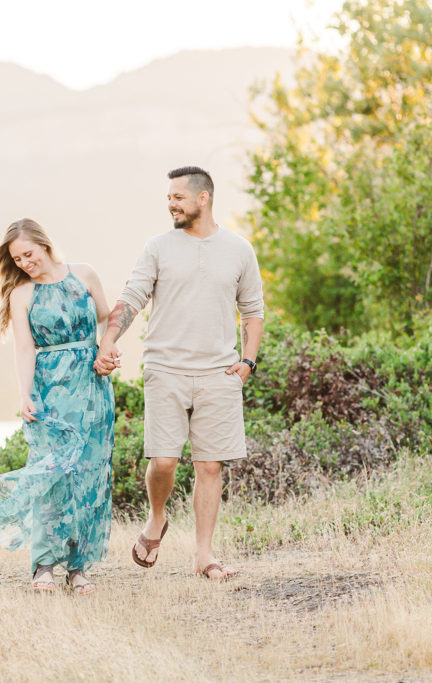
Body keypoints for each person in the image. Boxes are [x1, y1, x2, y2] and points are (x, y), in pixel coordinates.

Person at [94, 166, 264, 580]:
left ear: (203, 197)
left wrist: (247, 363)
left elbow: (253, 313)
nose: (170, 203)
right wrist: (109, 339)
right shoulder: (158, 247)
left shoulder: (239, 249)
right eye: (169, 197)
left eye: (177, 197)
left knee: (210, 467)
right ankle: (156, 520)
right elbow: (132, 296)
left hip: (218, 374)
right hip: (165, 370)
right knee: (165, 461)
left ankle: (204, 555)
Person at [0, 218, 116, 595]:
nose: (24, 263)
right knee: (51, 476)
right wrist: (25, 394)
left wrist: (107, 348)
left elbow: (108, 318)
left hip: (92, 386)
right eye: (17, 259)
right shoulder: (22, 293)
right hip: (49, 391)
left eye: (28, 254)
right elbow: (24, 348)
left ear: (45, 245)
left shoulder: (84, 274)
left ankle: (79, 568)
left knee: (88, 475)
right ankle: (44, 567)